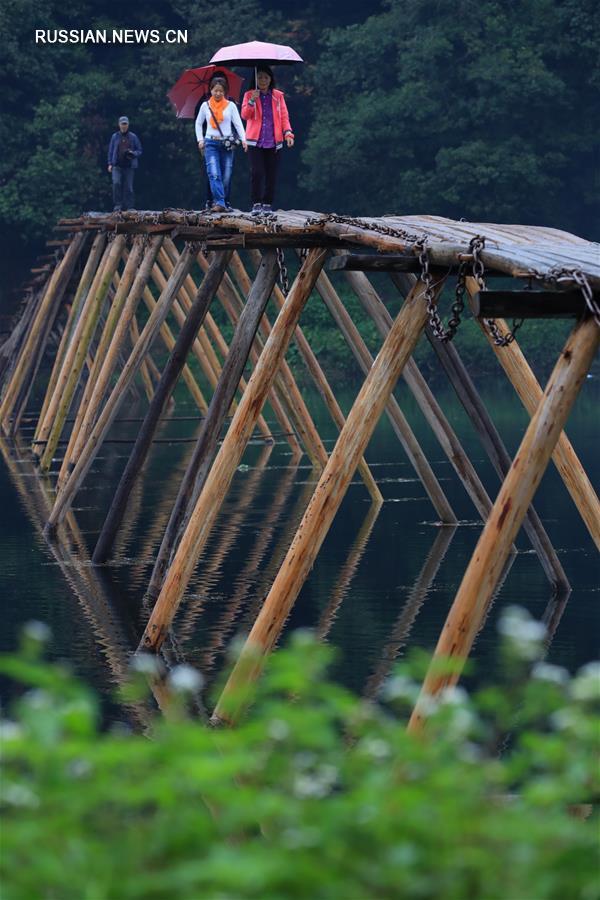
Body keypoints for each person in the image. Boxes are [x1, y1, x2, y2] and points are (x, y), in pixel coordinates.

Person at [241, 67, 294, 215]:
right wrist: (252, 100)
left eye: (266, 77)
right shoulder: (249, 95)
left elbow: (284, 116)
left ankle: (267, 204)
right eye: (260, 78)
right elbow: (245, 115)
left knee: (271, 173)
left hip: (273, 140)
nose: (263, 81)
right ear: (255, 80)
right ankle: (256, 203)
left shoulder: (278, 96)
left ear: (271, 79)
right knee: (257, 172)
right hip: (255, 141)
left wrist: (288, 133)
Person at [195, 76, 247, 213]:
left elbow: (238, 124)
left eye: (221, 91)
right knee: (214, 173)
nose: (218, 94)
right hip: (210, 143)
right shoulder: (205, 106)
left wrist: (244, 139)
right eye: (215, 90)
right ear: (210, 90)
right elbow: (198, 123)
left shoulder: (231, 106)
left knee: (227, 174)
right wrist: (200, 139)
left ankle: (224, 202)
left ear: (225, 92)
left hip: (227, 144)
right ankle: (219, 202)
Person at [107, 116, 142, 211]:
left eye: (125, 124)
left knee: (129, 187)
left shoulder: (133, 137)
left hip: (129, 165)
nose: (124, 126)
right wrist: (110, 163)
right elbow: (110, 150)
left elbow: (139, 150)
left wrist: (132, 153)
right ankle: (118, 205)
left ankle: (130, 206)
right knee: (116, 183)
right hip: (117, 165)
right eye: (122, 124)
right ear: (119, 125)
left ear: (128, 125)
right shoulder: (115, 136)